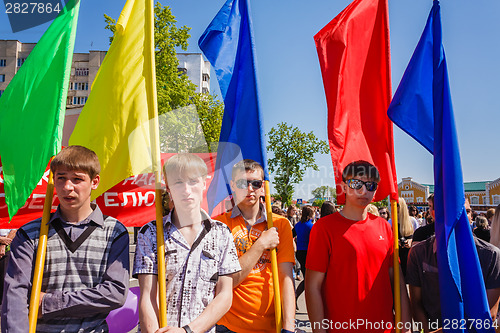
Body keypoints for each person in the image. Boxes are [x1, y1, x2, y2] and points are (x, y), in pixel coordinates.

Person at [1, 146, 129, 333]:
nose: (68, 187)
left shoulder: (115, 232)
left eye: (77, 179)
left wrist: (49, 303)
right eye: (61, 178)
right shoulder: (30, 233)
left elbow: (115, 293)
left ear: (95, 182)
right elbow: (15, 295)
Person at [134, 153, 241, 333]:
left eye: (192, 181)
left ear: (203, 183)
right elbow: (148, 296)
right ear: (168, 188)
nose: (186, 189)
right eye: (178, 182)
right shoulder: (151, 232)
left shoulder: (221, 233)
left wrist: (187, 331)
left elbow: (224, 295)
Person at [305, 160, 411, 333]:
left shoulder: (384, 226)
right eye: (356, 184)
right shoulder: (324, 228)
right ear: (344, 187)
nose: (363, 190)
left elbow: (397, 281)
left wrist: (406, 327)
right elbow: (313, 287)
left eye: (371, 185)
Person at [215, 159, 296, 333]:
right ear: (233, 185)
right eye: (243, 183)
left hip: (273, 325)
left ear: (262, 187)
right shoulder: (219, 224)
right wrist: (261, 245)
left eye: (256, 183)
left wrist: (289, 327)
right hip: (228, 325)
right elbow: (227, 283)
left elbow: (286, 279)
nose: (250, 189)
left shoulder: (280, 224)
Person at [407, 198, 500, 332]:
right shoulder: (419, 253)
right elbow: (416, 303)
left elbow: (489, 314)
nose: (463, 217)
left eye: (467, 211)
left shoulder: (491, 255)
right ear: (434, 214)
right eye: (456, 212)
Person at [294, 205, 315, 305]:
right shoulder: (311, 226)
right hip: (308, 253)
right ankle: (295, 296)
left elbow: (291, 234)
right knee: (308, 279)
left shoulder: (298, 225)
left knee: (307, 278)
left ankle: (295, 296)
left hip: (299, 252)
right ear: (311, 214)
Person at [395, 198, 414, 277]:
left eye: (397, 205)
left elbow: (418, 238)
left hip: (409, 256)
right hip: (396, 255)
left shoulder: (412, 221)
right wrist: (395, 241)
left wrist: (411, 241)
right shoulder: (391, 222)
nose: (395, 207)